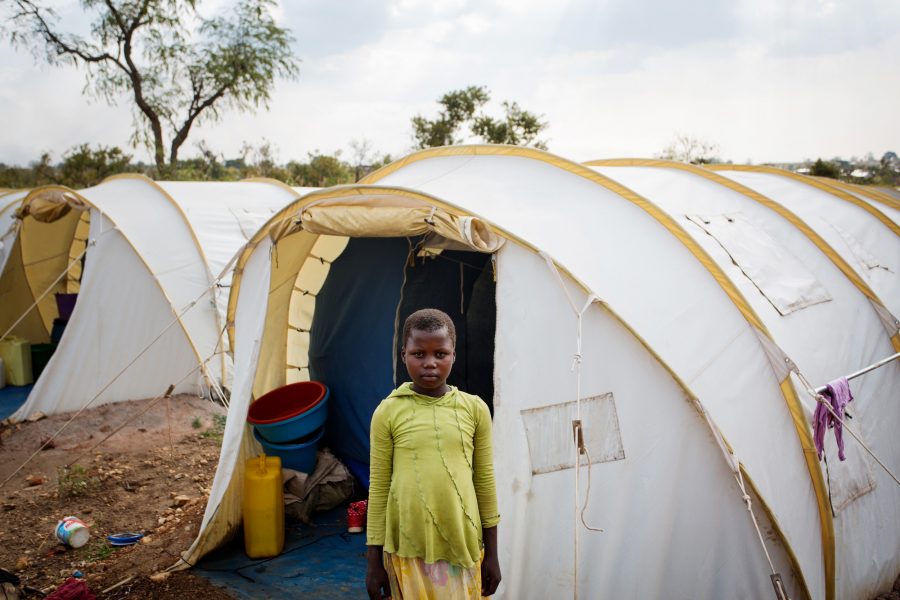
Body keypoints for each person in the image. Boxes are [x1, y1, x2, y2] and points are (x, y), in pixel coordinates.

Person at [366, 308, 501, 599]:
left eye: (440, 354)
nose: (430, 363)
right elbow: (378, 487)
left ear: (454, 354)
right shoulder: (388, 411)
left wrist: (492, 554)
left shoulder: (474, 409)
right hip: (406, 551)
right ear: (404, 355)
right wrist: (373, 562)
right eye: (419, 354)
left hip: (462, 546)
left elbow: (485, 482)